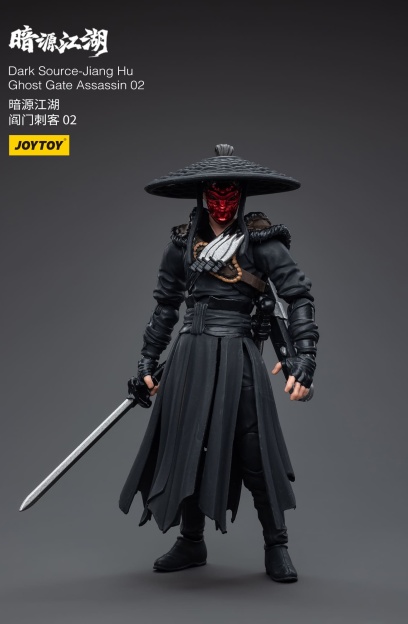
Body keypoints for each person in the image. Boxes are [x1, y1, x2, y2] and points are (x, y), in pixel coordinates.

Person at [119, 144, 319, 582]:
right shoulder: (182, 245)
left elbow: (298, 296)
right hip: (189, 355)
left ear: (242, 195)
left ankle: (276, 544)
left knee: (255, 449)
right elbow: (165, 306)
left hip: (238, 354)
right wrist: (148, 361)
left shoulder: (261, 241)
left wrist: (305, 356)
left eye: (231, 195)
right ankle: (191, 540)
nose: (223, 204)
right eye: (216, 194)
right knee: (189, 444)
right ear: (203, 195)